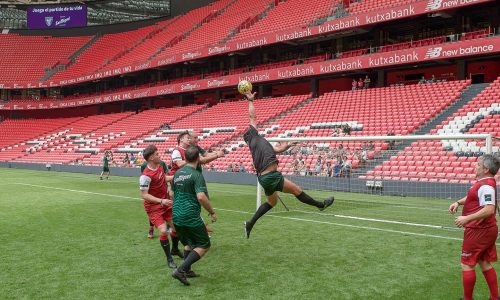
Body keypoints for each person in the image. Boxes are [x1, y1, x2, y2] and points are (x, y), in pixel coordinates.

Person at [242, 91, 335, 238]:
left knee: (271, 203)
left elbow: (275, 150)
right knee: (297, 190)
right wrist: (251, 101)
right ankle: (321, 205)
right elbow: (252, 117)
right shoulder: (254, 137)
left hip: (266, 178)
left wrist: (287, 146)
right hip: (271, 176)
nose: (253, 127)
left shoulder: (258, 143)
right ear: (250, 134)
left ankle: (250, 224)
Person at [448, 154, 500, 300]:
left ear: (486, 169)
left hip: (479, 230)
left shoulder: (486, 186)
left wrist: (466, 218)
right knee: (484, 262)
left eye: (478, 164)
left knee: (467, 264)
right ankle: (495, 297)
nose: (475, 166)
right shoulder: (484, 182)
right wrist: (458, 202)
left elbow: (489, 209)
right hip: (486, 229)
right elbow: (473, 197)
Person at [171, 146, 217, 286]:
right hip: (189, 215)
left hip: (176, 215)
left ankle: (188, 271)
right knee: (204, 245)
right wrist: (212, 212)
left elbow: (172, 194)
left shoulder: (177, 174)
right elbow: (201, 197)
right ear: (198, 158)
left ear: (185, 158)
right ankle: (181, 269)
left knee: (188, 244)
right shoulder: (196, 174)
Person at [139, 145, 177, 269]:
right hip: (154, 207)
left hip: (165, 203)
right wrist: (161, 201)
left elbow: (164, 178)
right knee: (163, 230)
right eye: (157, 154)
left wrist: (175, 177)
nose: (159, 155)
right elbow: (144, 195)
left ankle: (175, 249)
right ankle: (169, 259)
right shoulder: (145, 175)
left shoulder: (159, 166)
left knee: (175, 227)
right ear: (151, 158)